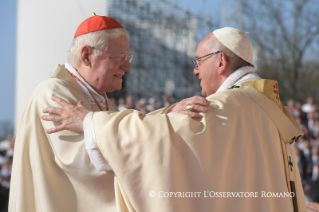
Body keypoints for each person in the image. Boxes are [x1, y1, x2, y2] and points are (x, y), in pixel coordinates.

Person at [42, 27, 306, 211]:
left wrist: (91, 123)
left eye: (198, 61)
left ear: (221, 61)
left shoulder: (224, 107)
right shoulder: (267, 110)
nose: (194, 71)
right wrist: (169, 111)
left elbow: (162, 139)